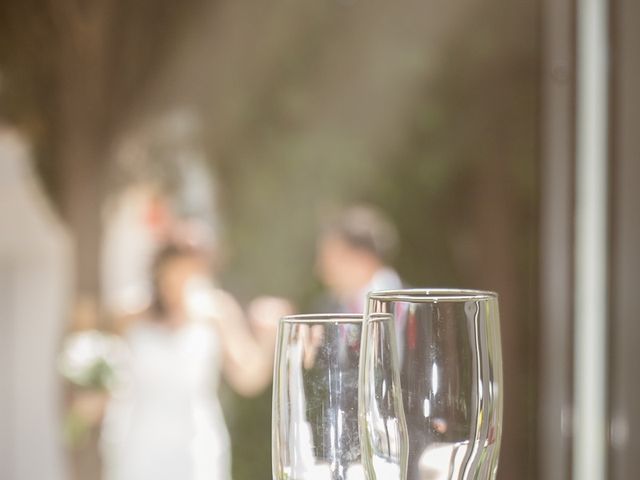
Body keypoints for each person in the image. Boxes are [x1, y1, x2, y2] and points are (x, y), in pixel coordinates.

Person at [100, 243, 290, 480]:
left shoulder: (217, 312)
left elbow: (247, 379)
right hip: (140, 440)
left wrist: (268, 337)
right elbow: (105, 369)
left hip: (197, 442)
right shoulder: (129, 315)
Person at [315, 204, 403, 313]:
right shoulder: (326, 308)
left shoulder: (416, 306)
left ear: (362, 258)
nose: (321, 271)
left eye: (331, 261)